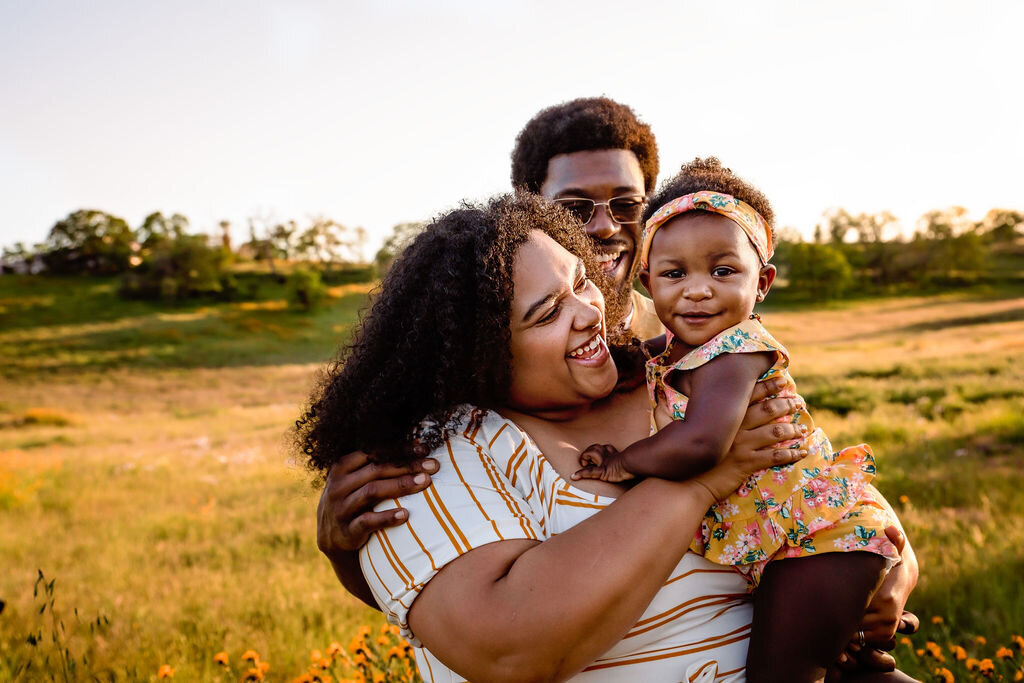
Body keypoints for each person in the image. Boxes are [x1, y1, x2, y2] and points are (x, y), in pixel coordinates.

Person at [315, 98, 919, 674]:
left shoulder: (691, 345)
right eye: (577, 209)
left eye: (626, 204)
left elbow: (803, 463)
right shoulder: (448, 432)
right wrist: (352, 555)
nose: (605, 229)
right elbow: (478, 618)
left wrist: (887, 555)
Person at [298, 193, 816, 681]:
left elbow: (822, 493)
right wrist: (703, 479)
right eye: (548, 312)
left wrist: (874, 570)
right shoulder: (430, 458)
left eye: (581, 282)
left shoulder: (675, 376)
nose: (592, 313)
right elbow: (506, 648)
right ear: (478, 357)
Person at [572, 158, 903, 681]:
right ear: (648, 281)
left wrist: (622, 462)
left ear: (763, 281)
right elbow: (642, 356)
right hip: (788, 547)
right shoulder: (682, 348)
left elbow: (704, 443)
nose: (698, 289)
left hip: (816, 545)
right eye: (675, 274)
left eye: (723, 271)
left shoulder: (735, 350)